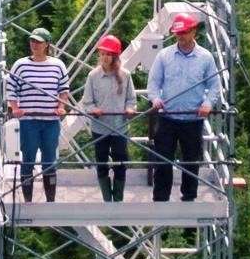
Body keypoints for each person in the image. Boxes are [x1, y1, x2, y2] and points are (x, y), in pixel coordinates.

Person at [147, 12, 223, 202]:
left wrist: (208, 103)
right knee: (163, 161)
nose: (180, 36)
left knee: (191, 162)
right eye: (177, 32)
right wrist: (155, 99)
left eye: (184, 32)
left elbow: (214, 85)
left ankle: (189, 198)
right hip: (167, 118)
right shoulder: (164, 55)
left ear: (194, 32)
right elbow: (154, 83)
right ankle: (160, 199)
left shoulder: (205, 58)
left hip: (193, 119)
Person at [7, 28, 68, 202]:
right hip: (29, 121)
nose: (34, 45)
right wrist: (15, 108)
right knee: (28, 157)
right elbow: (11, 89)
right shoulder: (20, 65)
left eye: (38, 42)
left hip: (50, 121)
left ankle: (50, 199)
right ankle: (28, 200)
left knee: (49, 159)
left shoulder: (58, 65)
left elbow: (63, 89)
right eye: (32, 41)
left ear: (47, 44)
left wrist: (61, 106)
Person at [82, 34, 137, 201]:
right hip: (100, 128)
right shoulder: (93, 76)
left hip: (120, 127)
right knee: (101, 162)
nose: (105, 57)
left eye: (109, 54)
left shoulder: (126, 75)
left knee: (121, 162)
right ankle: (107, 197)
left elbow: (131, 99)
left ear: (115, 56)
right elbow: (87, 102)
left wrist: (129, 109)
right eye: (102, 54)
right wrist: (93, 110)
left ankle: (118, 197)